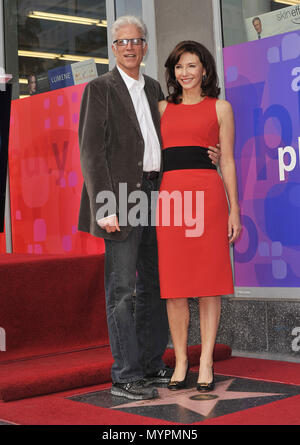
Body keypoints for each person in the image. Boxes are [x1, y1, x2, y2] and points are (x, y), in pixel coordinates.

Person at [78, 17, 220, 401]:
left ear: (144, 47)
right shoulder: (100, 88)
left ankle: (151, 362)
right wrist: (103, 204)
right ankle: (125, 374)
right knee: (122, 289)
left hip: (160, 194)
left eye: (136, 41)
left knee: (158, 284)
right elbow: (91, 151)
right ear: (114, 47)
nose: (129, 47)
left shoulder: (156, 89)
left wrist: (211, 151)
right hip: (119, 199)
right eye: (122, 41)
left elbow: (175, 137)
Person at [156, 41, 241, 392]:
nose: (185, 73)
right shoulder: (160, 107)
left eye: (192, 65)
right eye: (179, 67)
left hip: (208, 198)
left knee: (208, 285)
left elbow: (228, 161)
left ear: (204, 69)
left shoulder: (221, 108)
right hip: (171, 200)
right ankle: (180, 360)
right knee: (174, 288)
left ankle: (205, 359)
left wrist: (234, 208)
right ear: (172, 72)